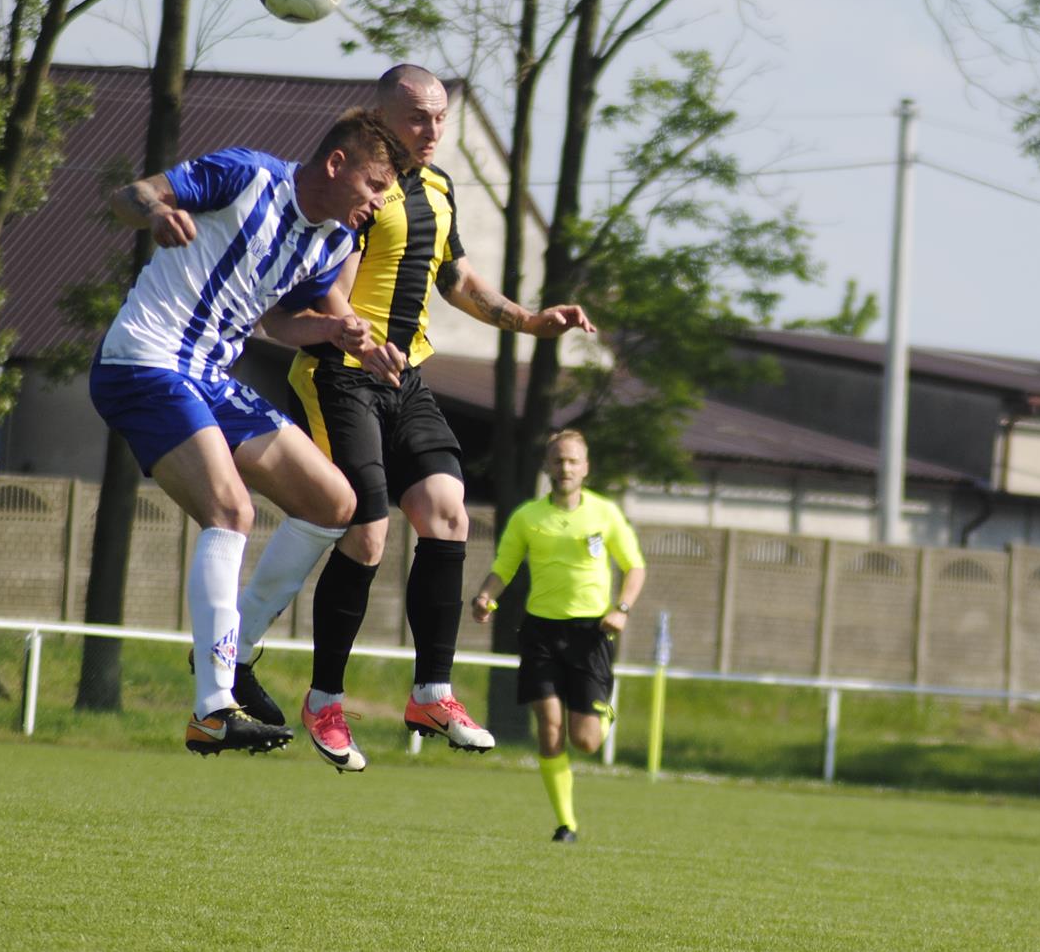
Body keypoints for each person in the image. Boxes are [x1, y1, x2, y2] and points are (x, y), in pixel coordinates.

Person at [234, 64, 595, 772]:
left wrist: (528, 318)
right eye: (416, 118)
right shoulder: (360, 193)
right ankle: (325, 700)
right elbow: (325, 285)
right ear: (381, 115)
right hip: (340, 376)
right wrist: (358, 338)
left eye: (439, 118)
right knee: (366, 531)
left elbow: (453, 278)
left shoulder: (438, 189)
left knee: (447, 511)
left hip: (407, 378)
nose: (431, 131)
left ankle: (431, 689)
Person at [91, 108, 411, 756]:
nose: (377, 206)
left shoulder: (333, 244)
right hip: (145, 359)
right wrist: (155, 210)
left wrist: (333, 330)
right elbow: (129, 194)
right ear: (335, 164)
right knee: (231, 509)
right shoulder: (247, 176)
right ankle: (212, 709)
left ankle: (232, 654)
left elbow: (277, 323)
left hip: (208, 374)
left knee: (335, 503)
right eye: (375, 187)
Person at [471, 430, 645, 842]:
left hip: (592, 633)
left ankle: (602, 710)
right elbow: (505, 566)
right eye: (558, 461)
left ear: (586, 467)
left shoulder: (605, 514)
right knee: (549, 728)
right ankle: (566, 823)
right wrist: (484, 596)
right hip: (541, 632)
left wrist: (621, 609)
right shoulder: (528, 517)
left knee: (585, 741)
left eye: (573, 461)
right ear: (547, 467)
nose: (565, 468)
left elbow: (634, 566)